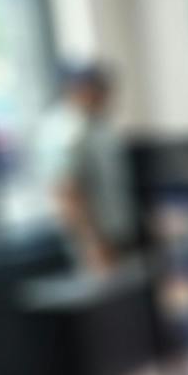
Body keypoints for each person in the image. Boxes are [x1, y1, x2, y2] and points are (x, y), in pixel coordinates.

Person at [36, 65, 136, 276]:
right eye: (100, 92)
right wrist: (92, 244)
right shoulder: (66, 129)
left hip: (117, 234)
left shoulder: (97, 124)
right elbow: (67, 192)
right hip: (96, 241)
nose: (107, 99)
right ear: (82, 91)